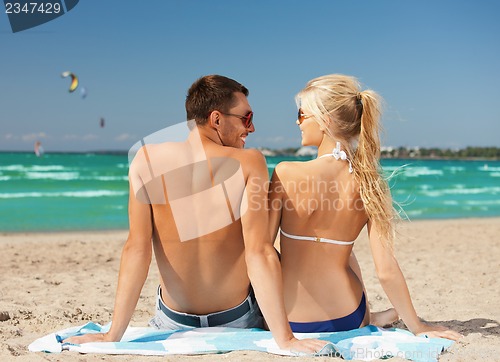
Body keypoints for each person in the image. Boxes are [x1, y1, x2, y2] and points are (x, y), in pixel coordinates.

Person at [65, 75, 326, 353]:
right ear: (216, 119)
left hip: (172, 320)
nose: (251, 128)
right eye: (246, 118)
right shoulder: (250, 163)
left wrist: (112, 335)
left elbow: (136, 249)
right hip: (236, 318)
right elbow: (258, 252)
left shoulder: (145, 159)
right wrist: (285, 339)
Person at [268, 74, 461, 340]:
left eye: (302, 115)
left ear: (325, 120)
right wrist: (418, 326)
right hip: (349, 316)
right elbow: (386, 270)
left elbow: (262, 252)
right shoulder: (370, 183)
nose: (297, 122)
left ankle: (376, 316)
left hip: (290, 319)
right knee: (341, 249)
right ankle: (373, 317)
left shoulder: (286, 172)